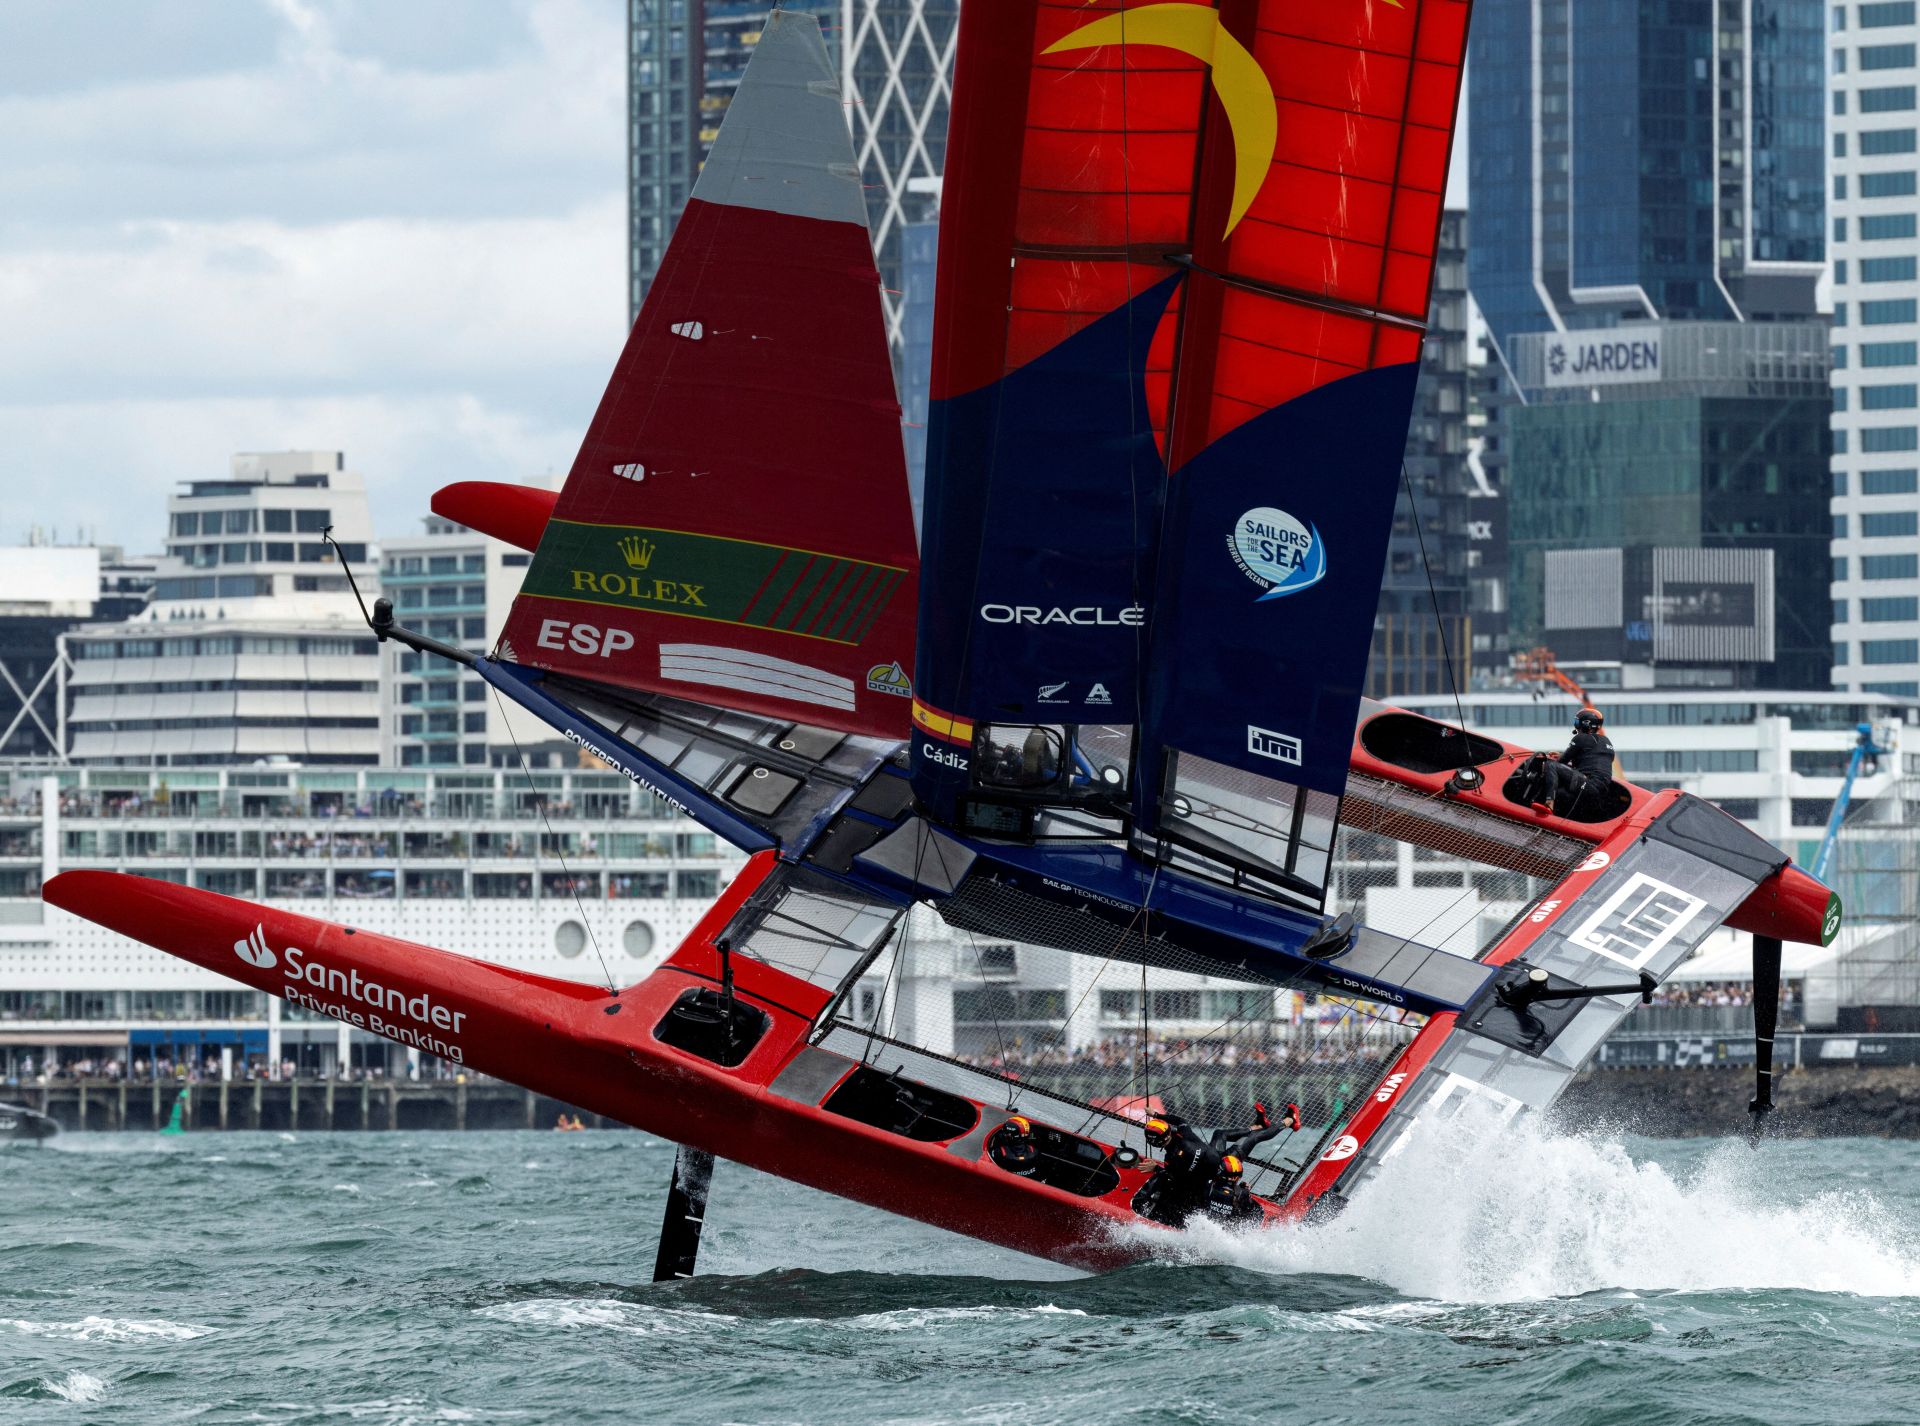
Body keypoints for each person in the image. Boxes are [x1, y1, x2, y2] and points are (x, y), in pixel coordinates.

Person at [1524, 708, 1614, 814]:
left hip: (1588, 783)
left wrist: (1555, 759)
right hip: (1599, 792)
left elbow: (1561, 762)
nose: (1576, 725)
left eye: (1577, 722)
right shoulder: (1606, 741)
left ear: (1585, 724)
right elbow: (1591, 760)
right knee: (1560, 792)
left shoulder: (1580, 738)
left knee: (1550, 765)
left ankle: (1549, 804)